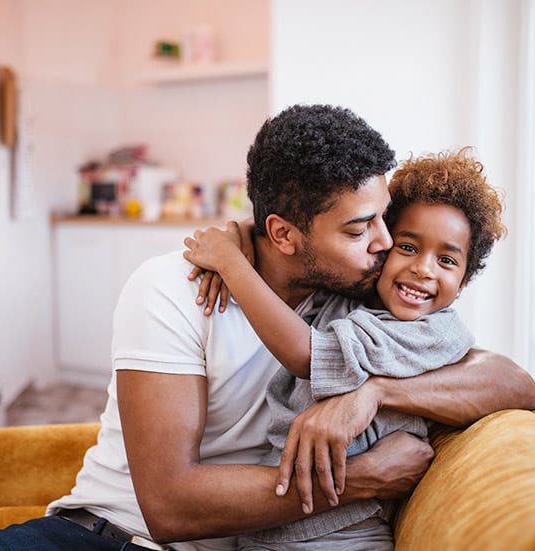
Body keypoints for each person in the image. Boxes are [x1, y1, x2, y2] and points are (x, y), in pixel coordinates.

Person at [0, 105, 535, 551]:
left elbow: (507, 379)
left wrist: (377, 393)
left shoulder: (364, 295)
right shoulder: (175, 288)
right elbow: (170, 506)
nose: (385, 243)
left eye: (381, 219)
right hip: (108, 537)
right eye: (357, 227)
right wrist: (364, 477)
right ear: (283, 232)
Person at [183, 147, 506, 549]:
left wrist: (232, 263)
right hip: (270, 527)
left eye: (446, 260)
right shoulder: (351, 294)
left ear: (464, 280)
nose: (424, 269)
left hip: (344, 534)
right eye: (408, 247)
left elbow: (307, 355)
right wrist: (244, 232)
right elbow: (309, 232)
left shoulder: (432, 333)